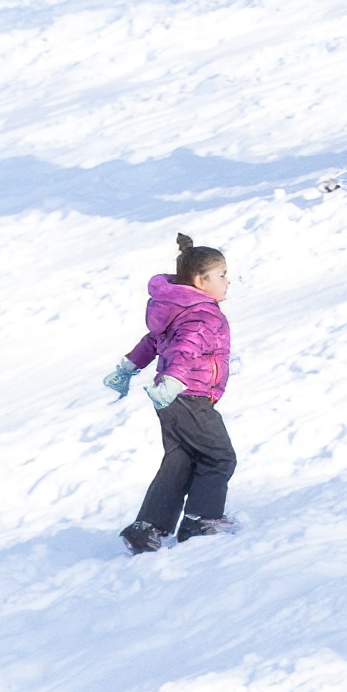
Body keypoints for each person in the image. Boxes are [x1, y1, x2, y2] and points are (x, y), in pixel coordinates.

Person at [109, 234, 240, 552]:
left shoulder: (175, 309)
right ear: (201, 279)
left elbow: (153, 341)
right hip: (188, 394)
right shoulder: (202, 315)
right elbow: (185, 348)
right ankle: (202, 521)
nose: (228, 281)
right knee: (219, 456)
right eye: (221, 275)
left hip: (171, 398)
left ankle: (148, 527)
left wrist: (128, 367)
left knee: (180, 460)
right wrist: (174, 380)